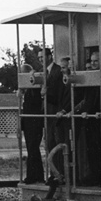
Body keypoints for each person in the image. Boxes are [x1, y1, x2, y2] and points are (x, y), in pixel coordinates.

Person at [39, 48, 68, 184]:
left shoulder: (57, 71)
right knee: (50, 144)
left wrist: (45, 95)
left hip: (55, 113)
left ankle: (59, 174)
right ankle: (54, 174)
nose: (40, 60)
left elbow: (58, 95)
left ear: (50, 56)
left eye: (42, 57)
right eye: (38, 58)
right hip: (48, 114)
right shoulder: (45, 73)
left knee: (56, 144)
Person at [75, 51, 101, 186]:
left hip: (98, 118)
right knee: (91, 149)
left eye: (95, 61)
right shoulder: (91, 78)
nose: (92, 64)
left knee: (97, 148)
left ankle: (98, 176)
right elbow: (87, 99)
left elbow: (97, 99)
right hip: (90, 118)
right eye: (91, 61)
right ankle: (93, 175)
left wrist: (93, 111)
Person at [18, 63, 44, 184]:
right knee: (32, 149)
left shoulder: (34, 88)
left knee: (33, 148)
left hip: (34, 120)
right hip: (28, 121)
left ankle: (32, 176)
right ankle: (38, 175)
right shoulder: (26, 90)